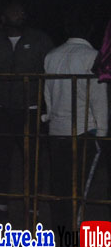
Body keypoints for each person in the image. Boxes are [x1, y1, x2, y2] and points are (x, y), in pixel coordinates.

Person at [0, 1, 54, 211]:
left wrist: (48, 105)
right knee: (1, 158)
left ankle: (33, 206)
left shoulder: (39, 40)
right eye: (14, 12)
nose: (19, 15)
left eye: (22, 12)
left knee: (33, 159)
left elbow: (52, 72)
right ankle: (1, 204)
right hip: (1, 109)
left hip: (31, 109)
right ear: (3, 18)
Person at [43, 14, 108, 228]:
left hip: (57, 129)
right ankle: (72, 229)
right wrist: (102, 131)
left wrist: (49, 116)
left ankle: (61, 227)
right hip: (83, 130)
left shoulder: (51, 56)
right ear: (90, 30)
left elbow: (47, 92)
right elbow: (98, 97)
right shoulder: (92, 56)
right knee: (80, 184)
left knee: (59, 182)